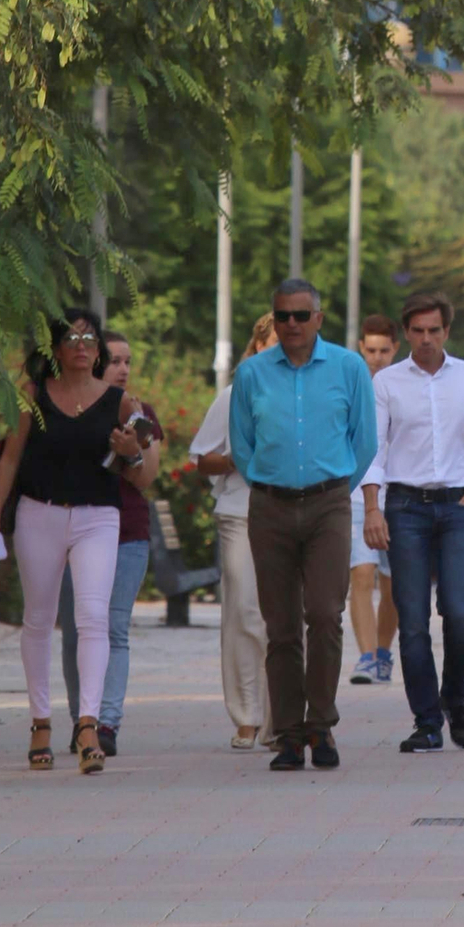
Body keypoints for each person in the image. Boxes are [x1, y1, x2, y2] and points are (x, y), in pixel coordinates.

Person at [0, 307, 147, 777]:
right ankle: (39, 723)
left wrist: (133, 452)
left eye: (89, 338)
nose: (81, 345)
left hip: (98, 517)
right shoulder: (33, 395)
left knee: (93, 617)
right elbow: (10, 459)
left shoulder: (120, 401)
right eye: (71, 338)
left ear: (100, 350)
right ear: (54, 349)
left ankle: (88, 724)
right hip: (40, 513)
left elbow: (144, 471)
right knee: (39, 619)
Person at [229, 277, 377, 774]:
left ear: (318, 317)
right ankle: (289, 735)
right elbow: (242, 443)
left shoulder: (348, 367)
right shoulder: (251, 373)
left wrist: (333, 485)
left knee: (325, 613)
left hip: (328, 505)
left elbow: (365, 441)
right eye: (281, 316)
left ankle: (323, 724)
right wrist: (270, 482)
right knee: (282, 626)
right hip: (269, 507)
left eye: (299, 315)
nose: (290, 324)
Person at [360, 291, 464, 753]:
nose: (425, 339)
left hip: (457, 507)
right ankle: (426, 721)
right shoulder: (387, 384)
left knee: (459, 613)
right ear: (406, 334)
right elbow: (374, 450)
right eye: (417, 331)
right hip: (405, 508)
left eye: (433, 330)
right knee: (413, 619)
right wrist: (373, 508)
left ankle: (454, 701)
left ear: (447, 332)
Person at [56, 327, 163, 757]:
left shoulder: (140, 413)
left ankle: (106, 723)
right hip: (69, 531)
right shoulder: (65, 408)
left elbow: (147, 478)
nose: (121, 369)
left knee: (113, 628)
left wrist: (131, 452)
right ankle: (81, 720)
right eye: (114, 360)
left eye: (127, 362)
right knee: (76, 633)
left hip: (125, 535)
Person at [190, 313, 277, 749]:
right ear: (257, 346)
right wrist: (238, 459)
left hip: (294, 513)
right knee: (244, 610)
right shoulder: (233, 395)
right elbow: (202, 458)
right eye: (274, 342)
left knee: (286, 616)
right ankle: (247, 715)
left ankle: (282, 716)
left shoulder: (310, 396)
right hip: (241, 511)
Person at [347, 316, 401, 684]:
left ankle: (383, 651)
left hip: (398, 495)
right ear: (360, 349)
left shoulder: (404, 388)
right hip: (354, 494)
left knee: (393, 582)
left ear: (395, 349)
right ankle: (366, 657)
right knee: (361, 574)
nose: (377, 358)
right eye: (371, 350)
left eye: (384, 351)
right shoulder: (350, 390)